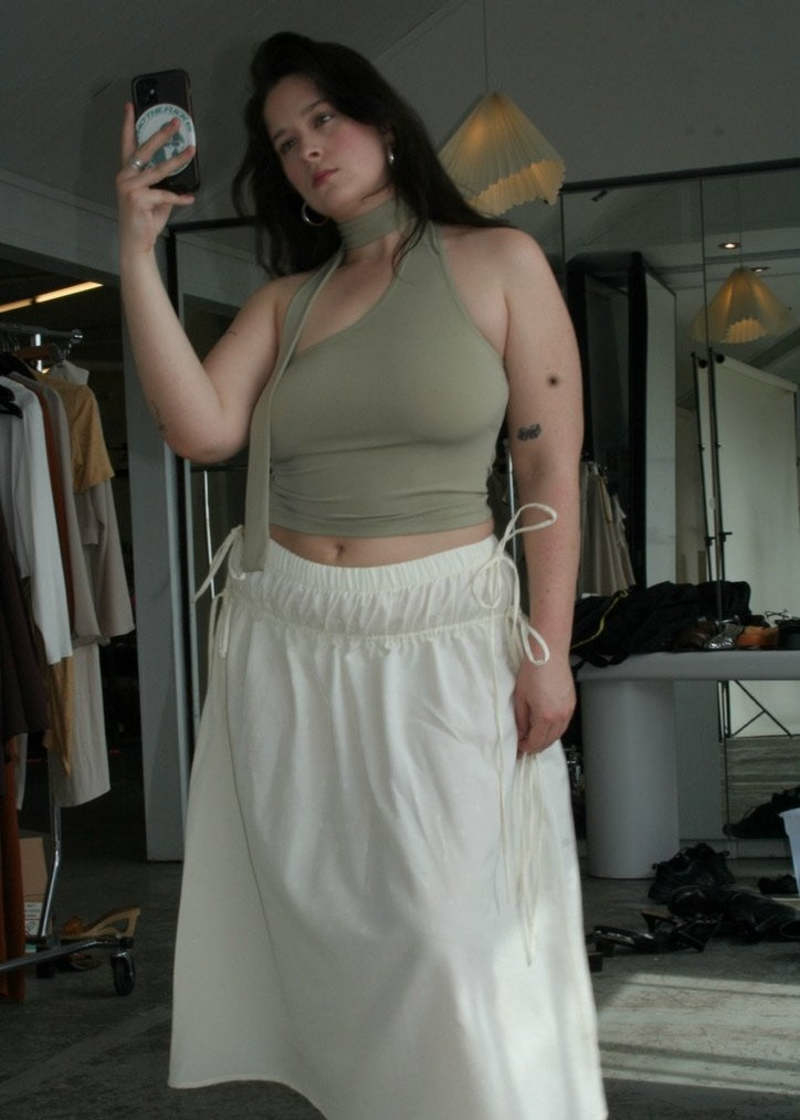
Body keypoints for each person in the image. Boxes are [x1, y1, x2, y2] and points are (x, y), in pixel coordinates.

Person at [116, 31, 607, 1120]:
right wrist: (138, 254)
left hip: (445, 638)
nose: (306, 152)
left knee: (451, 946)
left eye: (323, 121)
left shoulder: (497, 262)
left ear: (383, 124)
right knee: (334, 955)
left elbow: (545, 469)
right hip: (289, 641)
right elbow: (198, 430)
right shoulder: (283, 304)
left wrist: (548, 652)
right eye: (284, 142)